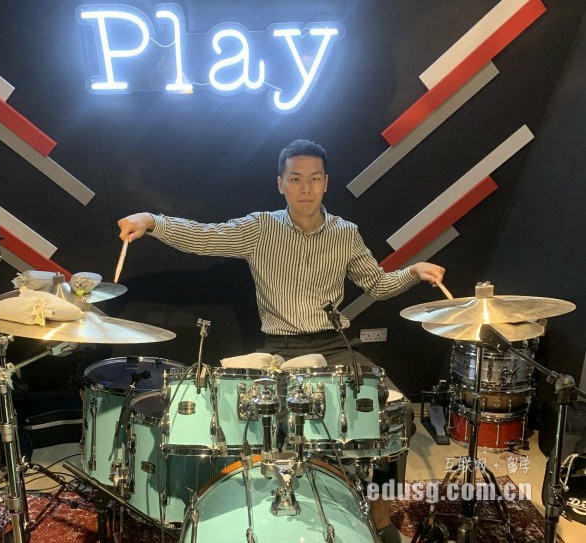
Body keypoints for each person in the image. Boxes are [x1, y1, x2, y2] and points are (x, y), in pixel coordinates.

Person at [118, 139, 445, 543]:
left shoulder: (346, 234)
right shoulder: (261, 228)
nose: (305, 188)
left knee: (395, 413)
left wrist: (412, 272)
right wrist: (152, 221)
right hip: (277, 348)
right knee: (230, 413)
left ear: (326, 182)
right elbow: (205, 237)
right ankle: (244, 506)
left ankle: (380, 516)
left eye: (314, 179)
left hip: (333, 345)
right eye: (295, 179)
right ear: (281, 184)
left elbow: (377, 285)